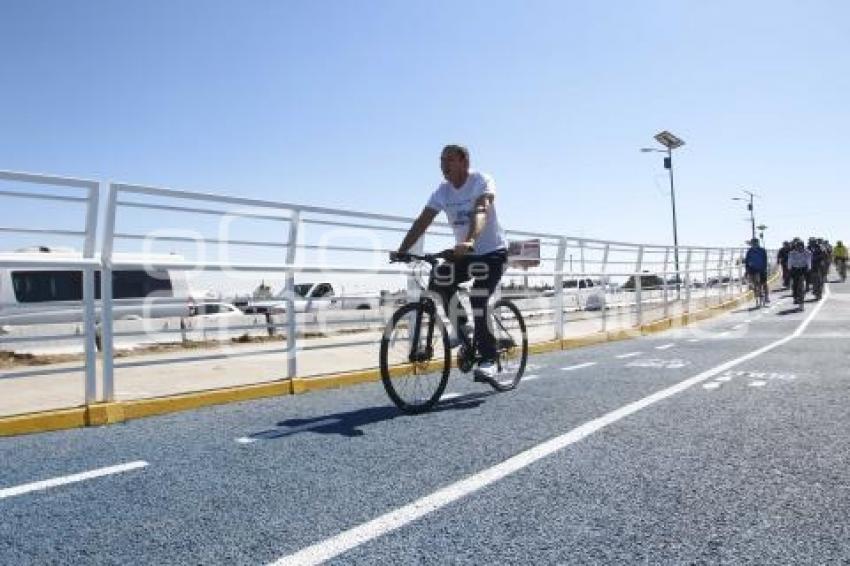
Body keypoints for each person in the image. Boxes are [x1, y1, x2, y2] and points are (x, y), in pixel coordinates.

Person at [393, 144, 508, 381]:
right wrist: (402, 250)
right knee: (438, 281)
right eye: (441, 161)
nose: (444, 166)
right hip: (465, 254)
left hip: (491, 252)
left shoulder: (481, 181)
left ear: (464, 161)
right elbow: (422, 221)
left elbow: (481, 210)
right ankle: (464, 328)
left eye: (449, 160)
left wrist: (470, 241)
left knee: (478, 297)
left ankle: (488, 358)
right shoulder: (443, 192)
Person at [787, 238, 811, 309]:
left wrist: (809, 268)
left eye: (801, 246)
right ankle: (795, 297)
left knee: (806, 280)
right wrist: (789, 269)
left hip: (804, 268)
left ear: (803, 246)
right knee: (795, 284)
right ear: (796, 247)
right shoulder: (792, 253)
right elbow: (790, 262)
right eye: (798, 246)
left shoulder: (807, 252)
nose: (799, 247)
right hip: (795, 269)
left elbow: (809, 261)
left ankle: (806, 288)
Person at [744, 238, 769, 304]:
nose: (754, 244)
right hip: (752, 269)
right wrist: (747, 270)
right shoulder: (749, 251)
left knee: (764, 283)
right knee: (754, 283)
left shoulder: (762, 250)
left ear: (758, 243)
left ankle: (766, 296)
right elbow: (747, 261)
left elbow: (765, 260)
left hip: (761, 268)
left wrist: (765, 268)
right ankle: (756, 294)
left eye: (755, 243)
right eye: (753, 243)